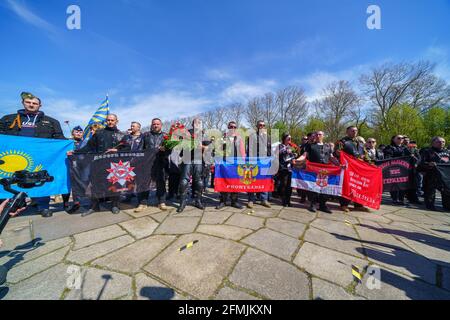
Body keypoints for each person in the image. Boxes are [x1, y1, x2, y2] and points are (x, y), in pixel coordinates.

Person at [0, 92, 65, 218]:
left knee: (40, 179)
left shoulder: (51, 122)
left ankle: (43, 206)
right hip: (14, 157)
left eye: (34, 103)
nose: (31, 105)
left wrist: (66, 148)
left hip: (42, 157)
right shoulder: (8, 119)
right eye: (28, 102)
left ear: (40, 105)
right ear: (23, 103)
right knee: (14, 180)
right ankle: (14, 206)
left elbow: (59, 139)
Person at [76, 114, 124, 216]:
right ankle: (94, 206)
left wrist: (117, 149)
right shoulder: (99, 133)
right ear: (106, 121)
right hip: (99, 164)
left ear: (116, 121)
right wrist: (75, 152)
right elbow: (88, 147)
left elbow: (128, 149)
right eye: (108, 120)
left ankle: (115, 205)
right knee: (95, 185)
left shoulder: (122, 135)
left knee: (114, 185)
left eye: (112, 120)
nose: (110, 122)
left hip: (114, 165)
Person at [297, 131, 335, 213]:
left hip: (325, 171)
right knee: (314, 188)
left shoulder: (327, 146)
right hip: (313, 170)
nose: (318, 136)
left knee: (325, 188)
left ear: (323, 136)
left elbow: (331, 157)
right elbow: (304, 155)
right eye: (316, 134)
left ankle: (323, 205)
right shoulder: (310, 146)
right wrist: (296, 161)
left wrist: (340, 165)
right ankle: (313, 204)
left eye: (320, 134)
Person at [177, 118, 210, 213]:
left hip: (198, 159)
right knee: (184, 181)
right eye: (195, 122)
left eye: (199, 122)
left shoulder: (204, 134)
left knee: (199, 181)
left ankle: (197, 200)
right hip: (187, 157)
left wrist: (202, 147)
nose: (197, 124)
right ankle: (182, 202)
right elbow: (178, 143)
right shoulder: (186, 132)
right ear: (192, 124)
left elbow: (208, 147)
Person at [334, 126, 370, 212]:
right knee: (347, 186)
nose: (354, 132)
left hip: (359, 168)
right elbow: (337, 154)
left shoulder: (360, 143)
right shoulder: (342, 142)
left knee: (359, 186)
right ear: (347, 132)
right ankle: (344, 204)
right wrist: (339, 154)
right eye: (352, 130)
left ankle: (358, 205)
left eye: (356, 130)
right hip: (348, 168)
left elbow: (365, 155)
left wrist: (370, 164)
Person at [138, 118, 169, 212]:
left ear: (161, 125)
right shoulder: (145, 135)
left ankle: (161, 201)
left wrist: (165, 150)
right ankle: (142, 202)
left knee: (161, 182)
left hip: (161, 162)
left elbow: (170, 150)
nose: (155, 125)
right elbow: (140, 149)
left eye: (157, 124)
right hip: (147, 163)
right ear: (151, 125)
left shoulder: (166, 136)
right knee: (144, 182)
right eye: (154, 124)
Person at [216, 121, 245, 209]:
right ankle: (223, 201)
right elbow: (218, 149)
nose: (233, 128)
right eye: (231, 127)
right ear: (228, 127)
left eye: (234, 127)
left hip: (236, 164)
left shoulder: (239, 138)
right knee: (224, 181)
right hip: (225, 163)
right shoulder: (223, 137)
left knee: (235, 182)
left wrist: (243, 162)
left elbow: (242, 151)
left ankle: (234, 201)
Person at [419, 137, 450, 211]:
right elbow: (421, 163)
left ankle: (447, 206)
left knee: (446, 190)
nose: (441, 143)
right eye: (439, 142)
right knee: (430, 191)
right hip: (431, 174)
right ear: (433, 142)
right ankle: (430, 206)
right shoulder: (427, 151)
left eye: (443, 142)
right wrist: (429, 164)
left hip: (445, 175)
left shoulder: (448, 152)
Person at [246, 120, 271, 209]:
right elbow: (249, 150)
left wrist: (270, 160)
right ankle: (251, 200)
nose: (262, 127)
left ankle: (264, 199)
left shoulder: (268, 137)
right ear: (257, 126)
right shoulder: (252, 136)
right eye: (260, 125)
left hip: (265, 163)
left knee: (264, 180)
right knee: (252, 180)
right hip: (254, 162)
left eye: (263, 125)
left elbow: (269, 150)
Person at [62, 126, 86, 214]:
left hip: (81, 167)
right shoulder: (67, 143)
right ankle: (65, 203)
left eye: (80, 132)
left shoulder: (85, 142)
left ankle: (77, 202)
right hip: (68, 166)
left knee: (78, 185)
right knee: (67, 184)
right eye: (76, 132)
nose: (78, 133)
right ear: (73, 133)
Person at [383, 135, 411, 205]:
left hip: (404, 168)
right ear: (393, 139)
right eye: (399, 138)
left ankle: (401, 199)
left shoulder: (405, 148)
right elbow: (387, 157)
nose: (401, 139)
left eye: (402, 138)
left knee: (403, 183)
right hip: (393, 168)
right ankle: (394, 198)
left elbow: (410, 156)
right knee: (394, 183)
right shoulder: (389, 147)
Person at [278, 133, 297, 207]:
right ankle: (284, 200)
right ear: (284, 139)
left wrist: (294, 157)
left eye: (290, 138)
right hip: (283, 168)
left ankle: (288, 201)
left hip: (290, 168)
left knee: (290, 185)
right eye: (288, 138)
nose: (290, 140)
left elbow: (292, 155)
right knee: (284, 184)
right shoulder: (280, 146)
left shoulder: (291, 146)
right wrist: (285, 151)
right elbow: (278, 153)